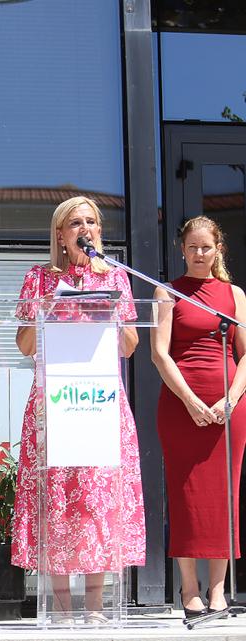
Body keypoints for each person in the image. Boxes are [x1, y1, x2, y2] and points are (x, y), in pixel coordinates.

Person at [11, 196, 145, 624]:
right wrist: (46, 311)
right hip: (54, 404)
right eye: (75, 223)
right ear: (60, 234)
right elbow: (25, 345)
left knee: (96, 502)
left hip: (99, 402)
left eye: (91, 222)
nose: (85, 228)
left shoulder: (116, 277)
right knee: (58, 501)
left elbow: (130, 346)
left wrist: (110, 310)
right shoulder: (38, 278)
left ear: (99, 231)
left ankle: (95, 609)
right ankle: (62, 610)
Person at [150, 216, 246, 619]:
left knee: (224, 494)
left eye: (206, 247)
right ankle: (189, 589)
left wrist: (231, 399)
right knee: (185, 493)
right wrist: (190, 401)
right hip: (180, 404)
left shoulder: (235, 294)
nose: (199, 253)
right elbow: (159, 353)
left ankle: (218, 590)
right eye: (192, 247)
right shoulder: (167, 292)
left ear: (218, 249)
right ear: (182, 250)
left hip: (229, 407)